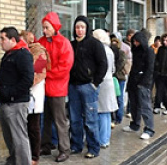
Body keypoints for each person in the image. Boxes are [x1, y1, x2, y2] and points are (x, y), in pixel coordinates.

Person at [68, 16, 107, 159]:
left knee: (90, 120)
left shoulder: (95, 44)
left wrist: (95, 83)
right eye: (77, 27)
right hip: (73, 87)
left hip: (88, 87)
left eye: (82, 27)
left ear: (87, 28)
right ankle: (76, 145)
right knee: (74, 119)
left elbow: (103, 64)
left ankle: (93, 148)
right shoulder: (71, 45)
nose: (79, 30)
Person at [0, 27, 34, 165]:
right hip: (5, 102)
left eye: (2, 39)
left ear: (12, 39)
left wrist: (10, 94)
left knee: (19, 138)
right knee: (10, 138)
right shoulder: (8, 54)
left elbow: (28, 79)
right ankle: (13, 161)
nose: (0, 42)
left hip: (16, 103)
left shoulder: (23, 54)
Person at [38, 12, 73, 163]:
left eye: (47, 27)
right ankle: (46, 145)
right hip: (44, 87)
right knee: (45, 119)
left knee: (60, 120)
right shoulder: (42, 42)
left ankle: (64, 149)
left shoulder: (64, 43)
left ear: (54, 27)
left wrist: (45, 74)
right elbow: (37, 61)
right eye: (43, 27)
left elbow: (65, 67)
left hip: (57, 87)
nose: (44, 30)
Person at [20, 30, 49, 165]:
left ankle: (35, 156)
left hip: (34, 94)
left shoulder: (39, 52)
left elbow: (38, 73)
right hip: (23, 94)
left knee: (33, 126)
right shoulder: (22, 52)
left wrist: (22, 84)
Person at [122, 31, 155, 140]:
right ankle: (135, 124)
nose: (135, 43)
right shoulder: (135, 51)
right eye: (134, 41)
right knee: (134, 105)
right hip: (133, 82)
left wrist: (143, 82)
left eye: (137, 41)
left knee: (145, 106)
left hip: (143, 83)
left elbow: (150, 69)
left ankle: (149, 129)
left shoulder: (149, 51)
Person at [93, 29, 118, 149]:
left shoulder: (100, 50)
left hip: (101, 83)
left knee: (101, 112)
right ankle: (105, 139)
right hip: (109, 82)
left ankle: (101, 139)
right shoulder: (110, 50)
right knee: (107, 113)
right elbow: (113, 69)